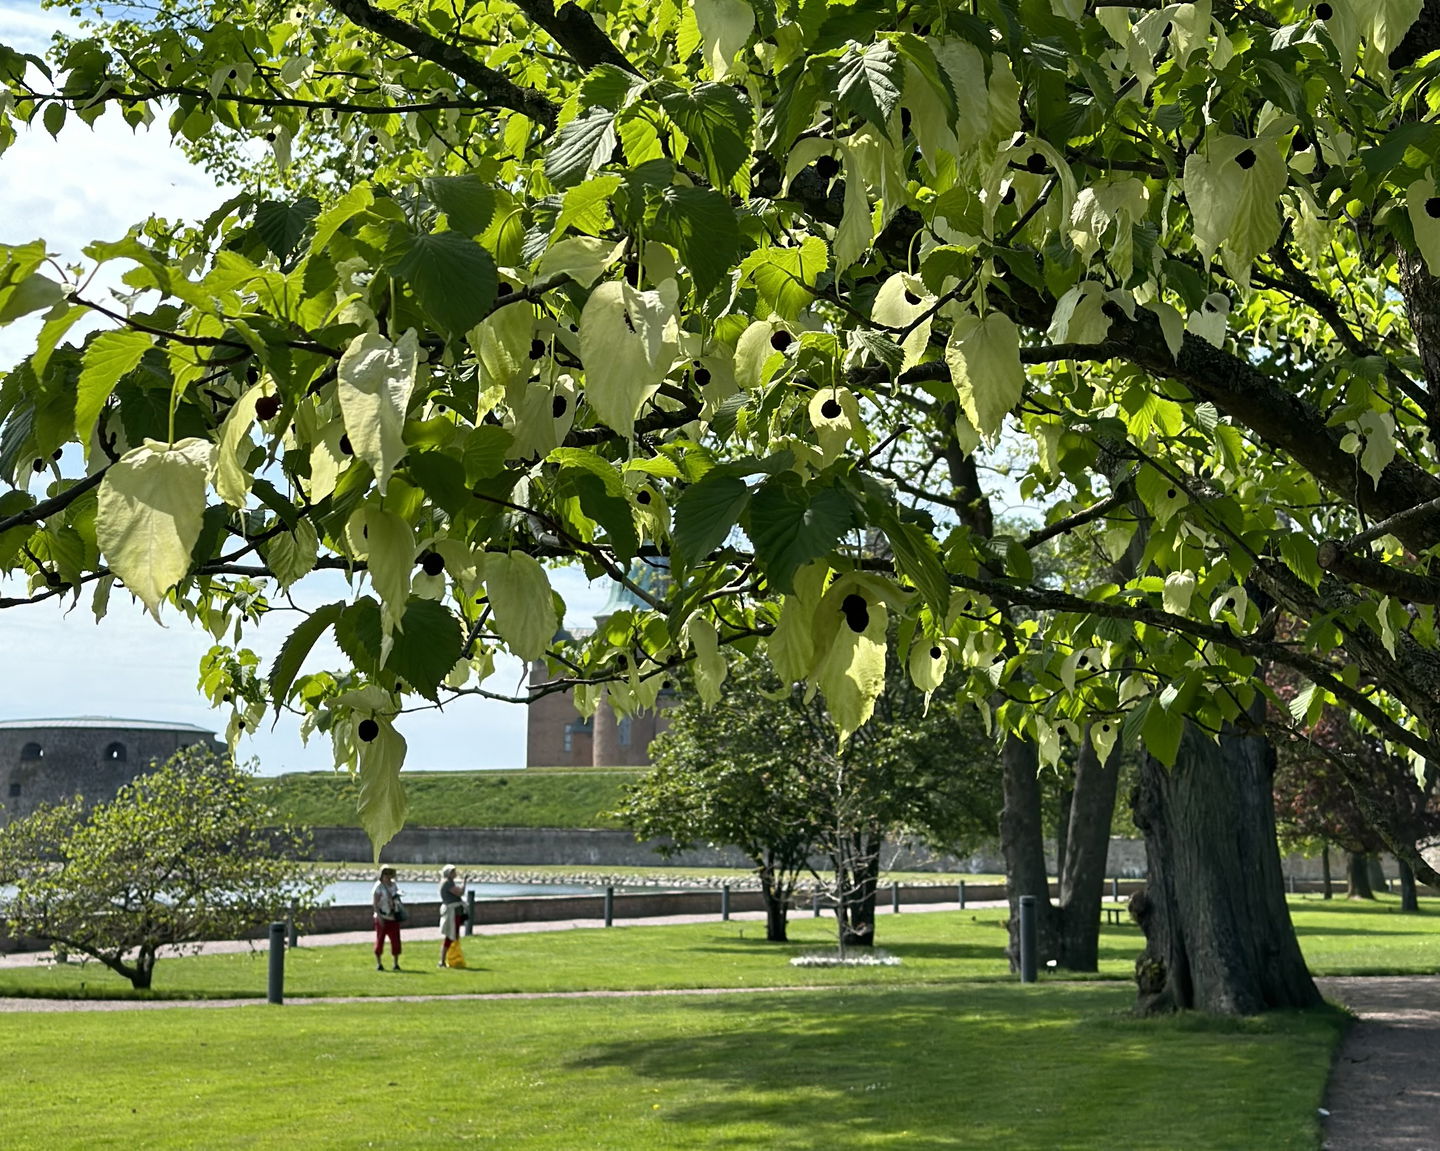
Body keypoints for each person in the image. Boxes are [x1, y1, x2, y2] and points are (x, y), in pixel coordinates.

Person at [371, 866, 403, 971]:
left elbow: (397, 898)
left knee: (396, 941)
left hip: (393, 917)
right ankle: (379, 963)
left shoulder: (394, 885)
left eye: (390, 874)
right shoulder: (378, 887)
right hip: (382, 917)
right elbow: (375, 904)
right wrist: (379, 917)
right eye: (386, 874)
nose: (388, 876)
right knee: (380, 940)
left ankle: (396, 963)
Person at [438, 864, 467, 967]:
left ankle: (453, 958)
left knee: (453, 936)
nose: (455, 873)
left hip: (455, 912)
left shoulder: (450, 883)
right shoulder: (447, 883)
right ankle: (442, 961)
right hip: (451, 913)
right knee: (450, 936)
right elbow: (460, 892)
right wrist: (464, 882)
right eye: (453, 872)